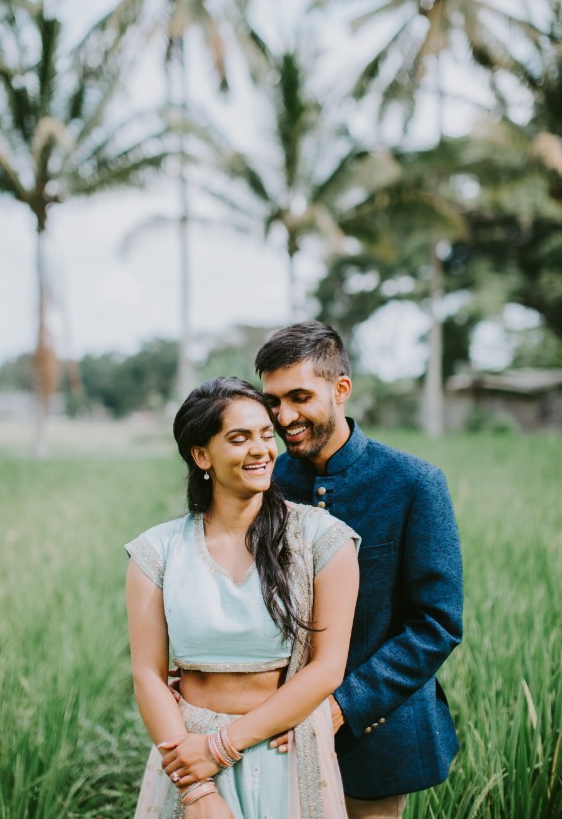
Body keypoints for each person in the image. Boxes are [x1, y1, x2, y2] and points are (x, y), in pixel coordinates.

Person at [124, 376, 360, 818]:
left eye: (265, 434)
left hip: (283, 749)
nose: (261, 449)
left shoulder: (322, 540)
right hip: (186, 754)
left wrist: (223, 747)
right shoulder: (156, 552)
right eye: (239, 438)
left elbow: (327, 669)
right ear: (201, 455)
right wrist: (196, 789)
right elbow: (148, 676)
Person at [255, 322, 464, 819]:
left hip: (377, 736)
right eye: (273, 401)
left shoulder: (414, 483)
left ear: (341, 389)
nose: (284, 416)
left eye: (300, 396)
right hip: (270, 728)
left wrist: (342, 707)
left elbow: (436, 625)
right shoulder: (268, 482)